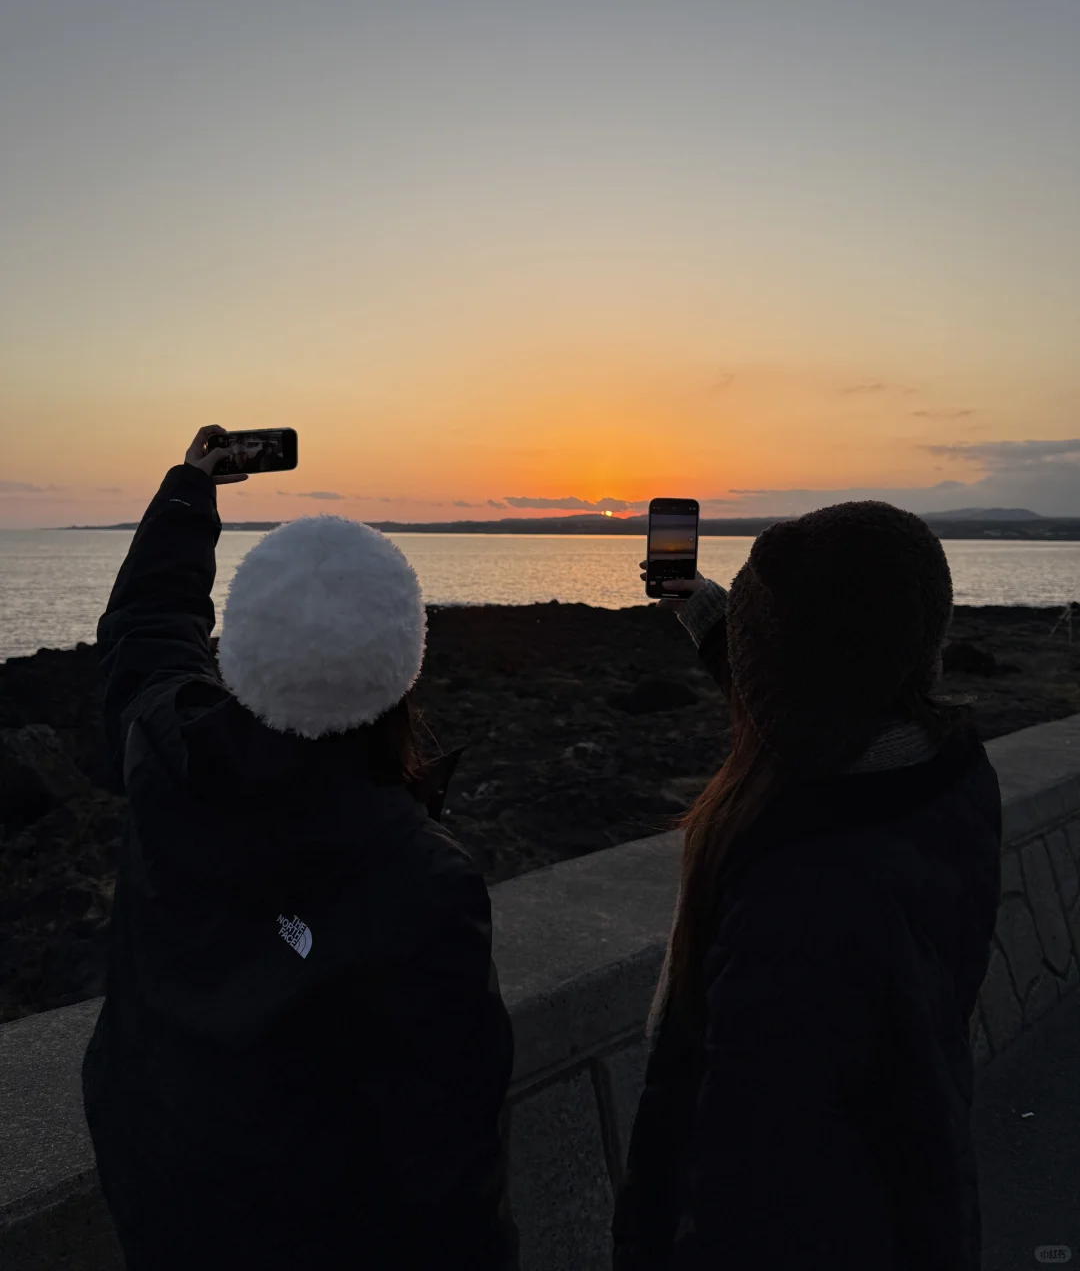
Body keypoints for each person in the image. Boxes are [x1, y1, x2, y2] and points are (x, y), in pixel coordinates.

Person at [82, 426, 516, 1271]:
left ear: (240, 648)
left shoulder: (165, 755)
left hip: (155, 1199)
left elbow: (148, 629)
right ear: (400, 665)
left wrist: (190, 490)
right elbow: (451, 1175)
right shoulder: (423, 885)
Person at [612, 502, 1002, 1271]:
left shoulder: (802, 906)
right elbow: (811, 685)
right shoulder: (946, 777)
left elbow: (746, 1196)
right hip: (915, 1203)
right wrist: (705, 610)